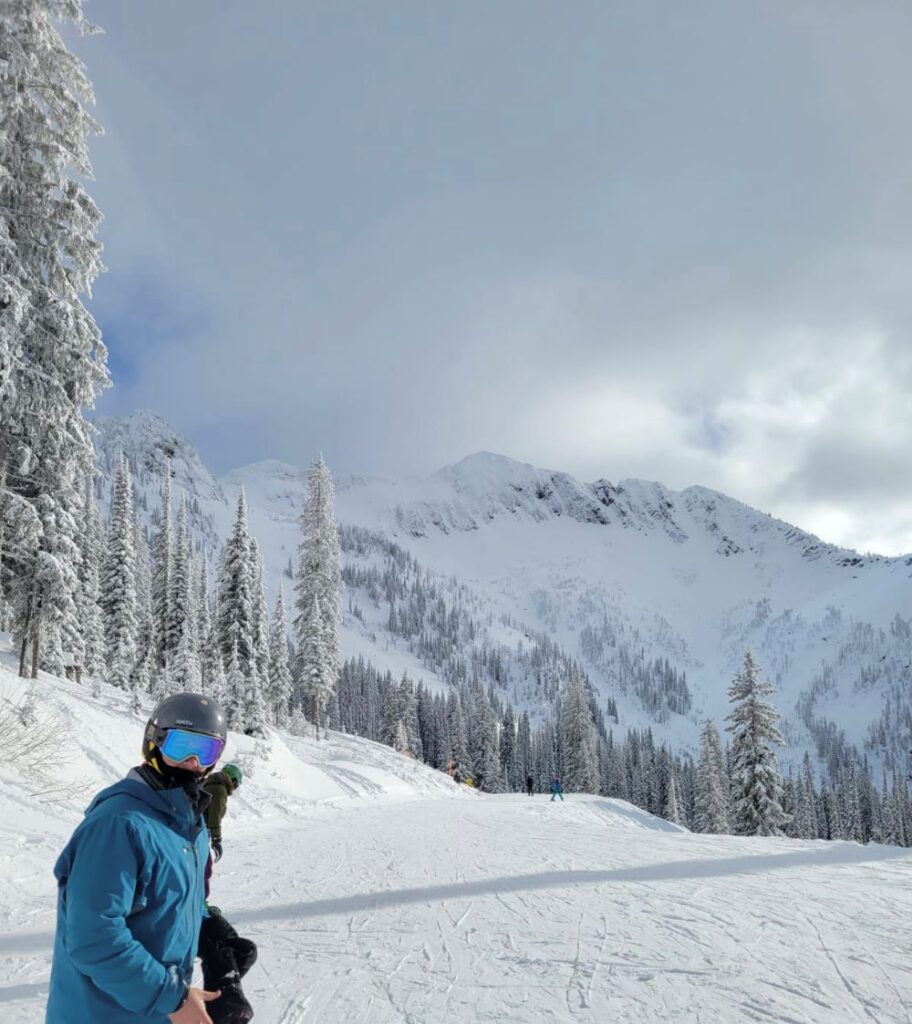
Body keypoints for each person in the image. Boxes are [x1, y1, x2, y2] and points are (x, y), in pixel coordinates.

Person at [46, 692, 228, 1023]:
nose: (192, 762)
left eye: (205, 751)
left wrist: (211, 930)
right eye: (180, 746)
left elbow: (174, 903)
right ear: (153, 743)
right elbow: (93, 938)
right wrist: (173, 999)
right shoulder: (118, 824)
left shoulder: (191, 825)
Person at [204, 763, 243, 866]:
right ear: (233, 780)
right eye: (237, 784)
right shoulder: (219, 789)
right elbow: (214, 816)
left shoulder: (211, 783)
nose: (235, 788)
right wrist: (216, 840)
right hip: (200, 831)